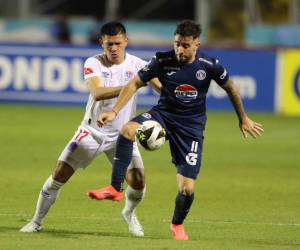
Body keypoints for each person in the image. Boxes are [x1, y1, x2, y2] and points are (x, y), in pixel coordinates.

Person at [86, 20, 264, 240]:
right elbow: (134, 83)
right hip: (163, 115)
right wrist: (113, 112)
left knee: (187, 189)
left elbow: (232, 89)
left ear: (196, 44)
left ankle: (177, 224)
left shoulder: (210, 65)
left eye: (185, 45)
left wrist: (243, 118)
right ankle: (115, 188)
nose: (180, 49)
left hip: (191, 128)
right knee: (127, 130)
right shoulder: (162, 59)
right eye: (177, 43)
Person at [20, 21, 161, 237]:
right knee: (59, 174)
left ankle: (129, 214)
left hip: (122, 135)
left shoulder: (138, 65)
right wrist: (134, 84)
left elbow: (162, 89)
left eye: (117, 43)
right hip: (92, 133)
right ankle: (36, 221)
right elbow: (97, 93)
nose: (113, 48)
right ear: (101, 43)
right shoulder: (93, 63)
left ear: (125, 42)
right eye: (108, 44)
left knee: (139, 182)